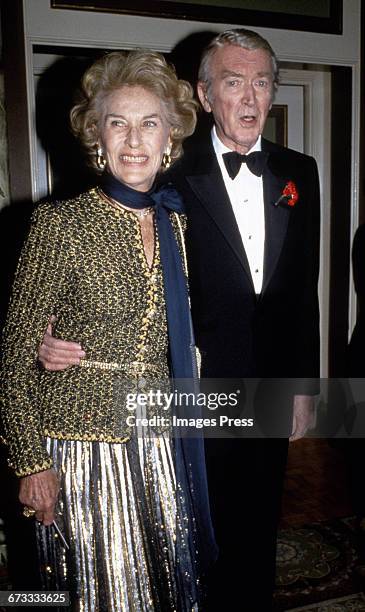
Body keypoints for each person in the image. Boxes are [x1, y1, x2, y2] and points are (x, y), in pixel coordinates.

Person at [38, 29, 320, 611]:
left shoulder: (300, 171)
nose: (248, 98)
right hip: (190, 385)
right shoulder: (164, 163)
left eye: (261, 83)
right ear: (205, 92)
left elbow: (301, 290)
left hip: (269, 380)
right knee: (198, 525)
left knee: (261, 515)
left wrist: (304, 385)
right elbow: (111, 251)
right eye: (233, 82)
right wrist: (57, 334)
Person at [1, 50, 217, 611]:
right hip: (80, 446)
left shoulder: (182, 225)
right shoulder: (60, 224)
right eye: (117, 123)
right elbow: (16, 356)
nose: (133, 140)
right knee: (85, 591)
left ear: (171, 136)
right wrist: (31, 463)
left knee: (165, 582)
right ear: (97, 136)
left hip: (161, 442)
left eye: (149, 123)